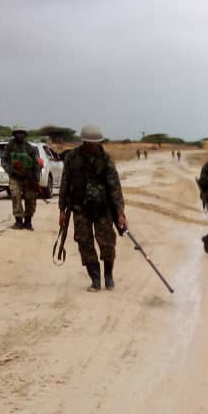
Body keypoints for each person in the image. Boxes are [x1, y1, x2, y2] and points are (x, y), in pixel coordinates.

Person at [57, 124, 127, 291]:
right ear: (84, 142)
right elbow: (65, 184)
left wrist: (120, 213)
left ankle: (108, 275)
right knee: (84, 242)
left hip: (103, 209)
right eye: (91, 143)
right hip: (80, 208)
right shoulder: (72, 158)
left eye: (97, 142)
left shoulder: (106, 159)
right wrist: (62, 210)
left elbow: (115, 188)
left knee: (107, 242)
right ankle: (95, 279)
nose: (94, 146)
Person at [4, 125, 40, 230]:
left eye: (22, 133)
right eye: (17, 133)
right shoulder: (10, 146)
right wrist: (12, 171)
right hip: (15, 176)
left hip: (28, 176)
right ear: (14, 134)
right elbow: (4, 161)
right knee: (15, 196)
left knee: (30, 198)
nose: (20, 135)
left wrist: (35, 179)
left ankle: (28, 221)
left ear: (25, 134)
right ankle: (18, 221)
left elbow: (36, 164)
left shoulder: (29, 147)